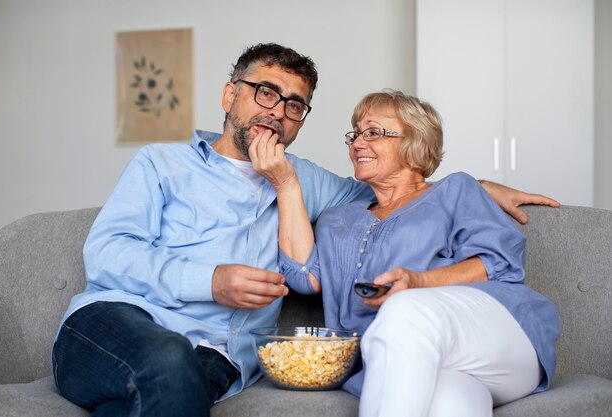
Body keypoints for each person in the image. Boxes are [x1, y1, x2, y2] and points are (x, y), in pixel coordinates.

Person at [52, 44, 559, 417]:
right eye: (265, 92)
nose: (277, 111)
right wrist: (208, 280)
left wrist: (482, 187)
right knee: (166, 359)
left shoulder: (313, 182)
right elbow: (106, 252)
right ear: (231, 95)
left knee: (146, 396)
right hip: (120, 324)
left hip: (216, 360)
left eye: (294, 104)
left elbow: (404, 189)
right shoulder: (162, 163)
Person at [256, 90, 560, 417]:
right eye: (355, 133)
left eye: (373, 132)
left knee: (404, 308)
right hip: (418, 359)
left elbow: (497, 263)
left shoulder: (455, 189)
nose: (357, 143)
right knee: (451, 404)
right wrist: (285, 183)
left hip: (498, 338)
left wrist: (418, 281)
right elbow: (305, 276)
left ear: (414, 142)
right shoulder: (338, 218)